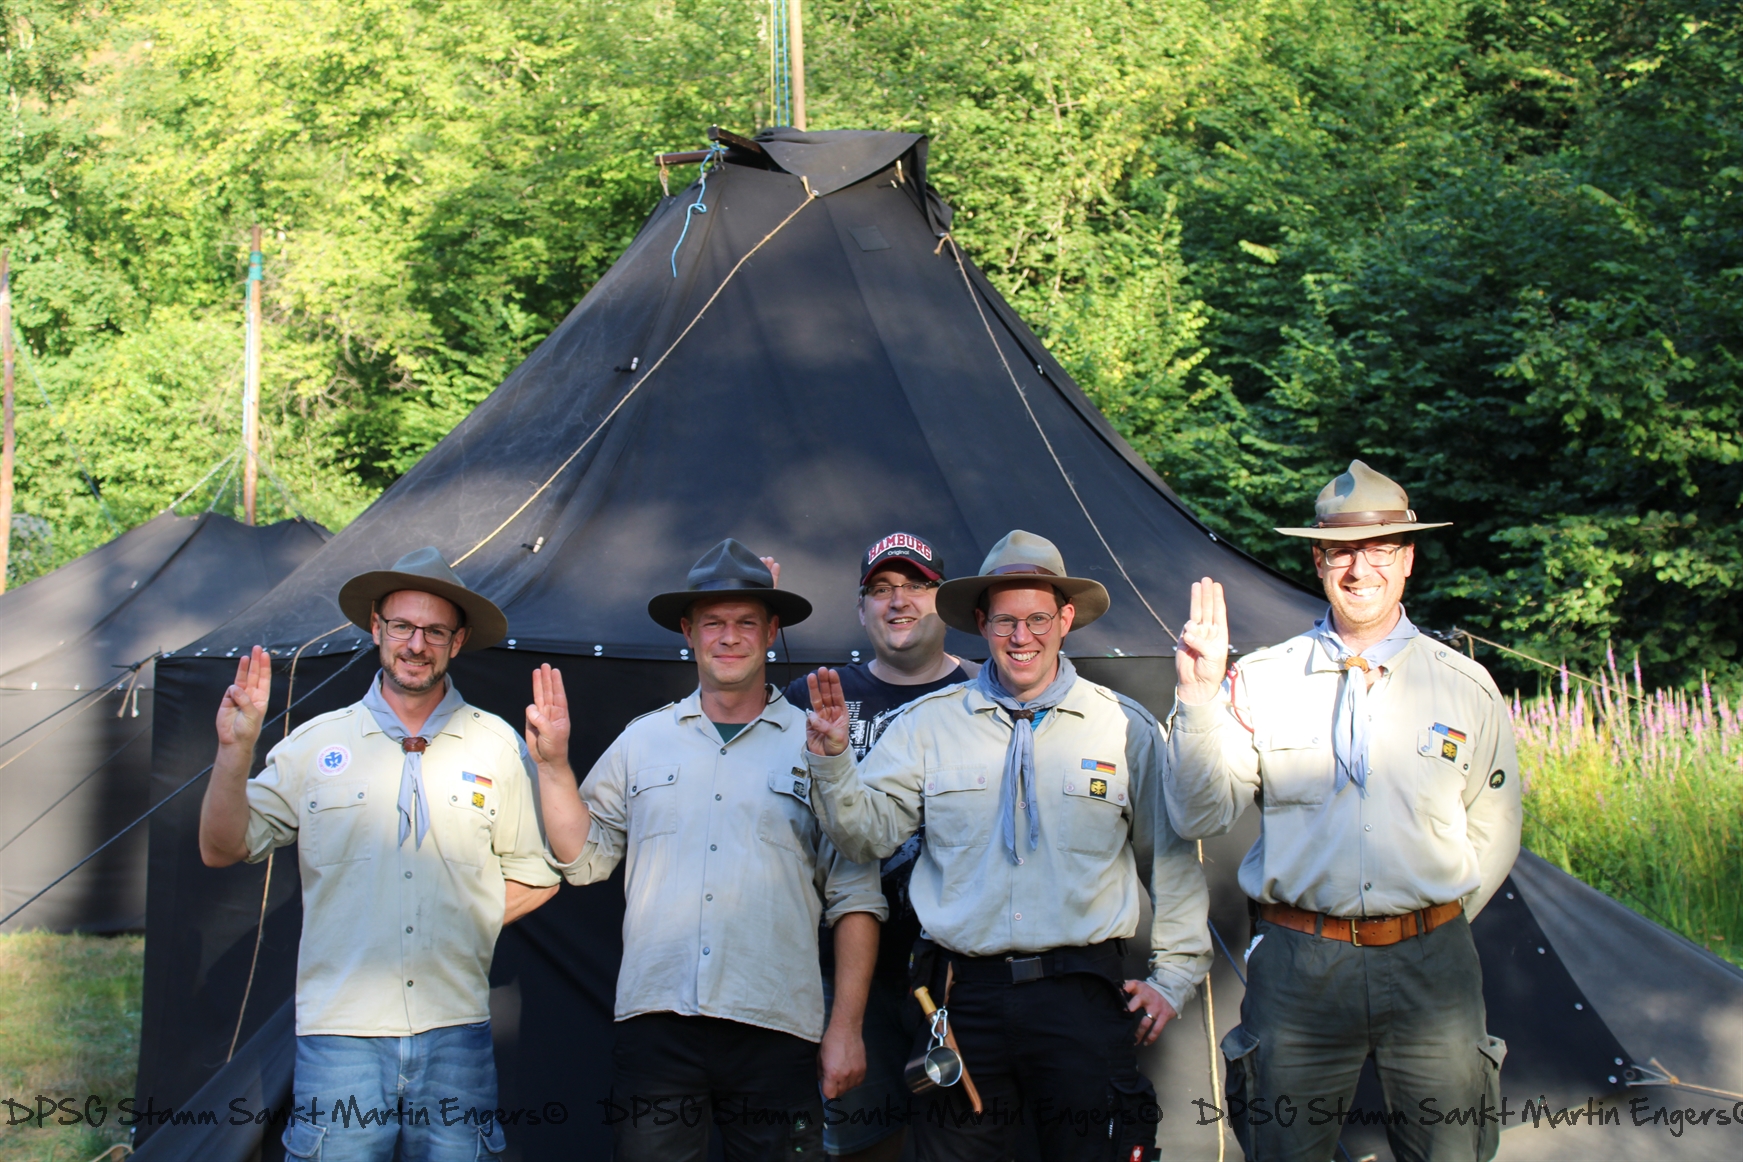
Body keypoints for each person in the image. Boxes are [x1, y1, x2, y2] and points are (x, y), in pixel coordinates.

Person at [803, 530, 1212, 1162]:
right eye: (1005, 622)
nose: (1022, 637)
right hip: (961, 1001)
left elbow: (1172, 858)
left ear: (1065, 619)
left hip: (1081, 997)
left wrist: (1175, 975)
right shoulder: (926, 726)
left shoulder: (1123, 726)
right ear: (981, 624)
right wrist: (833, 763)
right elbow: (866, 836)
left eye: (1037, 619)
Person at [1165, 460, 1522, 1162]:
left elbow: (1495, 828)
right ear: (1318, 561)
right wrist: (1198, 698)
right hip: (1299, 969)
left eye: (1379, 548)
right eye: (1340, 551)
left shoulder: (1466, 686)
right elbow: (1198, 816)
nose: (1360, 569)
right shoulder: (1259, 680)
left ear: (1408, 558)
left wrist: (1429, 922)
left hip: (1434, 970)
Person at [198, 547, 566, 1161]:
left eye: (435, 631)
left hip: (455, 1030)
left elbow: (537, 876)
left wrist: (456, 922)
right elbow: (221, 847)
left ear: (457, 641)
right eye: (402, 626)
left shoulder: (498, 746)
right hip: (340, 1034)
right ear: (376, 628)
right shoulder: (315, 744)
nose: (416, 644)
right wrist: (234, 752)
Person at [536, 539, 887, 1161]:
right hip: (657, 1028)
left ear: (771, 632)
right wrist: (554, 766)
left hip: (777, 1028)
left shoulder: (819, 748)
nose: (729, 637)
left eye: (746, 622)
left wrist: (846, 1028)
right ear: (688, 632)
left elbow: (855, 896)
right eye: (713, 622)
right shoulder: (641, 742)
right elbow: (585, 862)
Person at [782, 531, 978, 1162]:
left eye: (916, 585)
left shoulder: (985, 697)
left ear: (944, 601)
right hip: (839, 974)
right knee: (858, 1146)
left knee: (966, 1142)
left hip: (962, 975)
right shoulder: (812, 698)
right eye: (881, 589)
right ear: (860, 607)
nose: (898, 601)